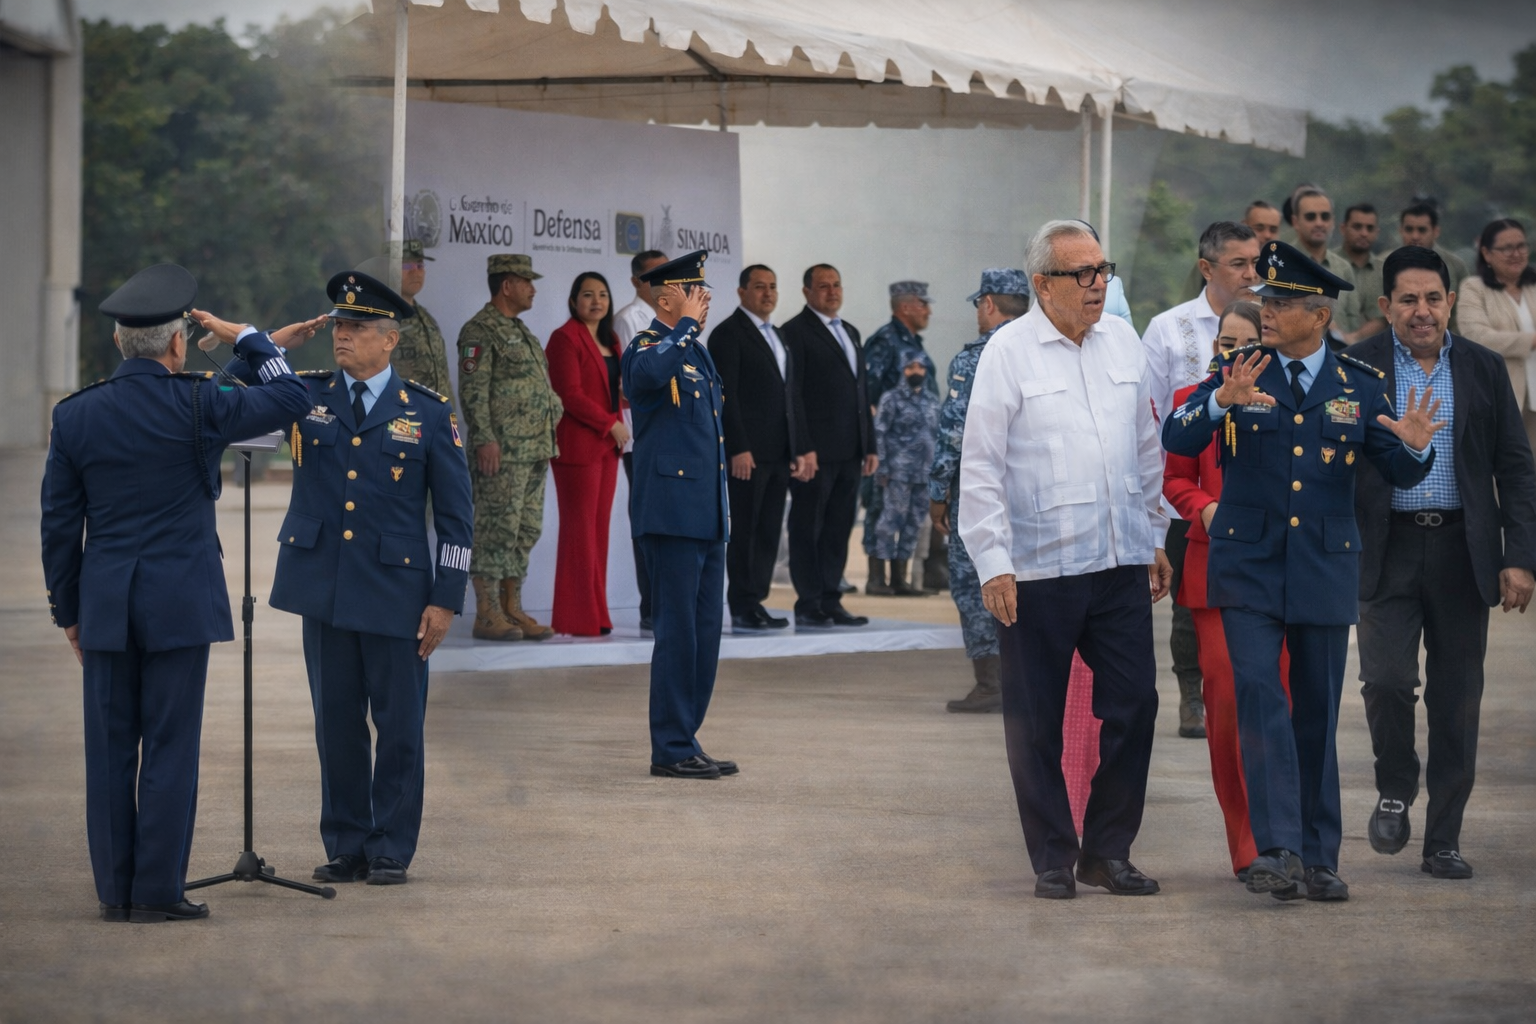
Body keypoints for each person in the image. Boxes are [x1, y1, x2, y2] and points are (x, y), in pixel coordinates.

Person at [1163, 239, 1442, 903]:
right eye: (1267, 298)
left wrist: (1418, 448)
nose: (1267, 310)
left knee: (1314, 714)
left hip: (1321, 569)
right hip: (1248, 568)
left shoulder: (1355, 386)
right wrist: (1221, 402)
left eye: (1282, 303)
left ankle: (1320, 858)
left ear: (1318, 316)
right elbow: (1178, 436)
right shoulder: (1240, 368)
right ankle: (1277, 848)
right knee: (1261, 700)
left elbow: (1397, 469)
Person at [40, 264, 314, 923]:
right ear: (176, 345)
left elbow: (57, 524)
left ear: (117, 344)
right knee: (169, 745)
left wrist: (68, 611)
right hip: (179, 604)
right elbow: (292, 398)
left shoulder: (75, 416)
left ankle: (115, 892)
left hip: (105, 605)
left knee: (110, 751)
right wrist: (251, 338)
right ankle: (157, 892)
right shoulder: (200, 404)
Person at [228, 270, 472, 888]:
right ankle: (346, 842)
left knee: (398, 729)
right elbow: (225, 397)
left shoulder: (426, 412)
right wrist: (267, 345)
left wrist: (445, 601)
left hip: (397, 594)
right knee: (335, 723)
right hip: (327, 590)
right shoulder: (305, 397)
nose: (342, 337)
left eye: (357, 328)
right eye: (338, 326)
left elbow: (457, 519)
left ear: (389, 340)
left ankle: (390, 846)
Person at [959, 221, 1172, 900]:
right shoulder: (1009, 352)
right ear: (1041, 284)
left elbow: (1147, 449)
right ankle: (1053, 853)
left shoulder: (1122, 342)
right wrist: (993, 561)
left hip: (1118, 563)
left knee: (1136, 705)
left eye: (1102, 270)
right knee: (1036, 719)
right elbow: (982, 463)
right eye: (1081, 274)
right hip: (1038, 571)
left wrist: (1156, 537)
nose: (1097, 284)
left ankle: (1107, 851)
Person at [1346, 246, 1536, 880]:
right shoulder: (1360, 367)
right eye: (1408, 299)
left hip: (1463, 551)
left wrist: (1519, 557)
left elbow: (1514, 466)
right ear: (1386, 306)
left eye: (1433, 298)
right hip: (1386, 549)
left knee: (1457, 700)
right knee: (1388, 681)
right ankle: (1396, 785)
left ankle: (1444, 840)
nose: (1421, 311)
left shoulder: (1482, 368)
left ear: (1450, 302)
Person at [1163, 300, 1293, 879]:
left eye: (1244, 345)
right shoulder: (1190, 402)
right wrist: (1205, 510)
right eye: (1223, 345)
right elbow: (1174, 479)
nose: (1232, 356)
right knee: (1226, 707)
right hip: (1212, 572)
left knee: (1280, 707)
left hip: (1278, 574)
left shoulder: (1288, 397)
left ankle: (1285, 839)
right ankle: (1246, 844)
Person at [1142, 221, 1261, 740]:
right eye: (1238, 264)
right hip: (1188, 489)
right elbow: (1149, 415)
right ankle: (1193, 694)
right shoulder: (1168, 328)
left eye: (1255, 263)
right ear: (1207, 268)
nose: (1250, 274)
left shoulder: (1273, 321)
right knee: (1192, 605)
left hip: (1251, 494)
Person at [620, 250, 736, 779]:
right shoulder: (648, 347)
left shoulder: (699, 353)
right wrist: (684, 327)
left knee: (705, 631)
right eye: (695, 292)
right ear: (666, 298)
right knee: (678, 632)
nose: (704, 300)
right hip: (669, 514)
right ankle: (668, 746)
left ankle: (686, 737)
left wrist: (689, 331)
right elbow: (646, 376)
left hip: (706, 514)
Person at [931, 269, 1030, 712]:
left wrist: (938, 492)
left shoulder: (976, 356)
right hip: (1029, 492)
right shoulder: (1041, 348)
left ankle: (991, 683)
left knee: (975, 584)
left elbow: (954, 432)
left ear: (989, 303)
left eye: (978, 304)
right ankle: (1028, 682)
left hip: (980, 490)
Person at [457, 253, 561, 642]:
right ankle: (487, 613)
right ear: (506, 285)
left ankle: (512, 608)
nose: (532, 288)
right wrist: (485, 439)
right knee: (495, 528)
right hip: (502, 452)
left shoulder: (523, 331)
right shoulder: (480, 330)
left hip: (535, 449)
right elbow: (472, 390)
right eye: (526, 281)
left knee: (525, 529)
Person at [708, 263, 814, 631]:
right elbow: (726, 396)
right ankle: (741, 603)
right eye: (758, 287)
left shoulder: (779, 336)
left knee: (769, 531)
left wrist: (800, 446)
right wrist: (737, 447)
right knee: (746, 531)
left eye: (772, 287)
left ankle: (757, 600)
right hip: (747, 455)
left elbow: (792, 396)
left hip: (780, 452)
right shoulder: (727, 334)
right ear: (741, 292)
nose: (767, 293)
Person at [781, 264, 875, 628]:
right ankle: (809, 602)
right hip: (814, 455)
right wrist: (802, 446)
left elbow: (860, 393)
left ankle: (831, 599)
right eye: (823, 286)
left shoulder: (849, 331)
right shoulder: (795, 332)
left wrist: (870, 444)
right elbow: (794, 397)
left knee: (838, 528)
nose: (832, 292)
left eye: (836, 285)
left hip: (851, 451)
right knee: (808, 528)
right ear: (807, 291)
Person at [546, 272, 629, 636]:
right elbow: (569, 394)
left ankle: (597, 614)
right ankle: (575, 618)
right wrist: (610, 423)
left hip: (608, 449)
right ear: (573, 301)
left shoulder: (611, 339)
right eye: (587, 295)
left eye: (603, 295)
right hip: (579, 447)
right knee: (579, 532)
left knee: (598, 533)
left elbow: (615, 390)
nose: (596, 301)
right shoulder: (564, 338)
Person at [861, 281, 938, 594]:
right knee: (883, 513)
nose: (928, 310)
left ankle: (900, 579)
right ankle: (877, 578)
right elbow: (868, 396)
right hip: (891, 455)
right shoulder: (885, 342)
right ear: (906, 306)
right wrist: (877, 454)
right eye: (923, 304)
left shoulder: (913, 343)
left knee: (911, 517)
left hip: (919, 458)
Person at [612, 249, 669, 631]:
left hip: (673, 433)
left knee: (671, 521)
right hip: (642, 435)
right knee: (649, 521)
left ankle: (669, 602)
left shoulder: (676, 317)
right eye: (655, 275)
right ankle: (651, 606)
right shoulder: (629, 320)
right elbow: (636, 381)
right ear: (636, 281)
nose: (665, 280)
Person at [1456, 217, 1536, 452]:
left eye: (1521, 246)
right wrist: (1531, 340)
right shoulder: (1474, 288)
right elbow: (1478, 337)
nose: (1516, 253)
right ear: (1487, 253)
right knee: (1503, 470)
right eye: (1506, 248)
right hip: (1500, 395)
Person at [871, 349, 939, 595]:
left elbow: (937, 437)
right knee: (890, 522)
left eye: (920, 368)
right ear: (902, 370)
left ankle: (901, 580)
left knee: (914, 525)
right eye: (911, 368)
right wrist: (883, 466)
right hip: (898, 473)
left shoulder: (932, 401)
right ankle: (882, 580)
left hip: (924, 474)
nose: (916, 372)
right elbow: (879, 433)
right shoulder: (891, 399)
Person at [388, 239, 456, 409]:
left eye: (419, 265)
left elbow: (442, 379)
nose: (416, 272)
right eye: (406, 266)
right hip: (402, 423)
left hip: (436, 423)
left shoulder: (427, 320)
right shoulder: (380, 320)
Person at [1180, 202, 1281, 301]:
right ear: (1244, 226)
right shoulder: (1211, 263)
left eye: (1273, 230)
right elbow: (1187, 304)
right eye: (1259, 228)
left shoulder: (1282, 266)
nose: (1267, 235)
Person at [1332, 204, 1387, 344]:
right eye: (1357, 227)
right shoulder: (1327, 264)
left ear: (1377, 232)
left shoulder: (1384, 272)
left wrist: (1354, 338)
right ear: (1343, 228)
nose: (1364, 233)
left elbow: (1382, 317)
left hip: (1370, 352)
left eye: (1370, 228)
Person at [1400, 201, 1471, 300]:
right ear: (1400, 230)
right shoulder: (1384, 264)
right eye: (1409, 229)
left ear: (1436, 232)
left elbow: (1466, 307)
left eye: (1422, 230)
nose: (1415, 236)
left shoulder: (1455, 266)